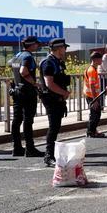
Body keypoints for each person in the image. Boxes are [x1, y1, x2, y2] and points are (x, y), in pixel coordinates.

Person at [39, 38, 71, 167]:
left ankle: (52, 154)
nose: (65, 50)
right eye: (64, 47)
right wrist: (64, 93)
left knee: (56, 126)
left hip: (57, 99)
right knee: (53, 127)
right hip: (51, 99)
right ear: (58, 48)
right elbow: (49, 84)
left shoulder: (57, 62)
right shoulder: (48, 63)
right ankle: (49, 155)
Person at [10, 36, 44, 157]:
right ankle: (30, 148)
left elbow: (14, 71)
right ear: (32, 45)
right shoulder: (28, 57)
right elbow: (23, 71)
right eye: (36, 44)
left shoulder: (17, 55)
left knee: (17, 119)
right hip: (27, 92)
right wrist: (35, 83)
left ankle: (17, 148)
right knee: (28, 120)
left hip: (17, 91)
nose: (38, 46)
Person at [84, 52, 105, 138]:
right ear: (95, 60)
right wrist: (95, 100)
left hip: (91, 95)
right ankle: (91, 132)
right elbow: (92, 85)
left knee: (94, 114)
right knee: (96, 114)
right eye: (100, 59)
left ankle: (92, 130)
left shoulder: (91, 68)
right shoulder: (92, 70)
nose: (101, 61)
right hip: (92, 96)